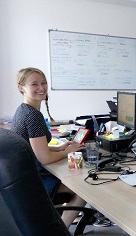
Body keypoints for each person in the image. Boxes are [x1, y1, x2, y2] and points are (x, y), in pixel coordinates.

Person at [11, 67, 86, 228]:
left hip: (24, 178)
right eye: (34, 84)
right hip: (35, 181)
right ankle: (62, 230)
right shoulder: (33, 116)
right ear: (21, 87)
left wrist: (60, 148)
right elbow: (44, 158)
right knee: (83, 190)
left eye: (44, 83)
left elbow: (31, 147)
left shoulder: (23, 110)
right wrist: (68, 151)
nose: (41, 88)